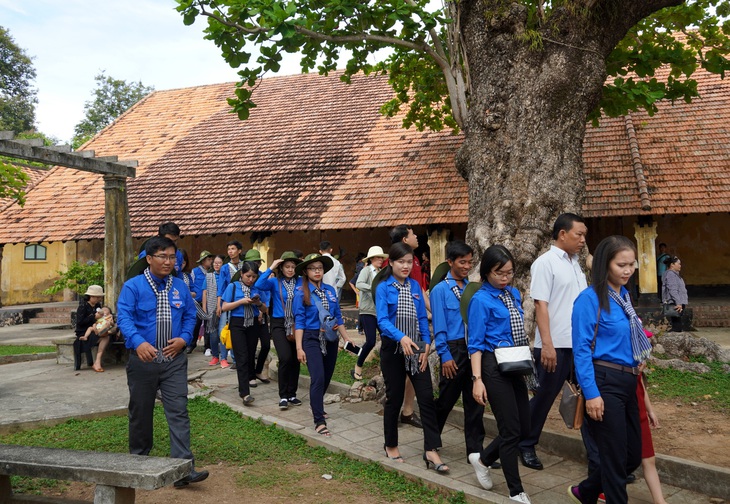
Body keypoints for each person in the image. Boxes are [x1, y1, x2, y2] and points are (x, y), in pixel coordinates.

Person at [116, 236, 209, 488]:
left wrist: (185, 338)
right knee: (141, 412)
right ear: (149, 259)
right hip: (143, 360)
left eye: (172, 257)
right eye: (163, 257)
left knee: (178, 410)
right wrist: (138, 342)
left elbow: (191, 315)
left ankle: (182, 468)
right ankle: (139, 462)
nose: (168, 262)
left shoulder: (179, 286)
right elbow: (123, 317)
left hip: (173, 360)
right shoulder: (133, 287)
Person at [569, 235, 652, 504]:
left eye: (632, 264)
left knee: (631, 456)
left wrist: (636, 356)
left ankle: (587, 491)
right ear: (605, 265)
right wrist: (592, 394)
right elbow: (581, 350)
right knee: (615, 459)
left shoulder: (623, 296)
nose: (628, 270)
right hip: (604, 380)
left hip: (629, 380)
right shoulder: (589, 300)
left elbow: (627, 335)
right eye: (621, 265)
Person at [518, 213, 588, 470]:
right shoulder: (545, 263)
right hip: (555, 344)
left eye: (584, 235)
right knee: (544, 397)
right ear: (562, 234)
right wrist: (546, 344)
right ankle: (525, 444)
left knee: (589, 396)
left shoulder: (575, 263)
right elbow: (540, 304)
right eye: (578, 234)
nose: (582, 240)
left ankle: (600, 459)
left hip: (579, 344)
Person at [467, 245, 534, 504]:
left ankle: (482, 459)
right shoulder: (480, 300)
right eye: (499, 273)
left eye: (509, 272)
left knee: (523, 426)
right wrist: (477, 380)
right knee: (510, 430)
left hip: (514, 362)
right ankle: (516, 491)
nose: (505, 278)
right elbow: (475, 343)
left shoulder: (512, 295)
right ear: (486, 272)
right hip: (492, 365)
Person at [375, 243, 448, 472]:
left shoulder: (416, 286)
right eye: (401, 262)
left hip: (417, 351)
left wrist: (426, 346)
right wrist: (401, 338)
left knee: (426, 398)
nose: (405, 266)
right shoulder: (383, 287)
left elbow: (421, 320)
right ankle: (391, 444)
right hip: (394, 351)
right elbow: (383, 321)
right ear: (391, 263)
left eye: (409, 262)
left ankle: (431, 450)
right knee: (394, 399)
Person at [431, 240, 485, 459]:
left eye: (470, 262)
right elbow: (439, 326)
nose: (466, 266)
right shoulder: (440, 290)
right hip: (452, 350)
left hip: (472, 349)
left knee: (475, 403)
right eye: (462, 262)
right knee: (446, 399)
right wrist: (444, 355)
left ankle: (476, 452)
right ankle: (431, 442)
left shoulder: (473, 289)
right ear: (450, 262)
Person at [294, 253, 354, 436]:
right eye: (313, 268)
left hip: (331, 339)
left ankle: (316, 405)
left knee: (327, 376)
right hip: (311, 338)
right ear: (306, 271)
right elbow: (299, 321)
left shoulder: (330, 290)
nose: (317, 271)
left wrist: (347, 339)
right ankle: (319, 420)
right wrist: (299, 347)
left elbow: (337, 317)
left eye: (320, 268)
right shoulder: (300, 292)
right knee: (318, 377)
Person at [388, 224, 428, 428]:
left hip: (414, 324)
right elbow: (418, 291)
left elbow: (419, 290)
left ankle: (407, 411)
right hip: (399, 326)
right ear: (404, 239)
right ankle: (398, 410)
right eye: (413, 234)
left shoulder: (412, 259)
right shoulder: (405, 262)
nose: (416, 237)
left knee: (412, 370)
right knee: (400, 372)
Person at [255, 251, 303, 410]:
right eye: (287, 267)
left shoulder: (301, 282)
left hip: (297, 323)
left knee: (295, 359)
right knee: (285, 357)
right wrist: (271, 267)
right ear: (281, 268)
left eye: (293, 267)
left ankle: (292, 393)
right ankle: (283, 395)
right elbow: (258, 284)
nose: (290, 269)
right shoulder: (275, 282)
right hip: (278, 323)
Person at [221, 261, 263, 406]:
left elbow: (265, 309)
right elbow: (225, 306)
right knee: (242, 357)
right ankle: (244, 393)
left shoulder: (257, 288)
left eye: (254, 277)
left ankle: (247, 384)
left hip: (252, 324)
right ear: (241, 274)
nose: (250, 279)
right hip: (237, 324)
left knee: (250, 356)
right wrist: (240, 302)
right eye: (248, 276)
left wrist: (257, 303)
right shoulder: (233, 287)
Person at [351, 245, 389, 381]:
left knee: (387, 340)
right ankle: (358, 367)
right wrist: (373, 289)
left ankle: (384, 369)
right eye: (378, 257)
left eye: (381, 257)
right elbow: (359, 284)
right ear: (372, 259)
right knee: (371, 341)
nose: (380, 260)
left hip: (380, 312)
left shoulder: (381, 273)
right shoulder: (366, 270)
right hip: (367, 311)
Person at [243, 249, 271, 386]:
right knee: (251, 347)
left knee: (266, 344)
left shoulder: (262, 278)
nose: (256, 264)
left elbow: (266, 296)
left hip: (262, 314)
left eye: (257, 262)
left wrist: (262, 310)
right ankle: (250, 375)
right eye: (252, 262)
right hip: (248, 318)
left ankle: (258, 370)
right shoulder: (242, 278)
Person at [74, 285, 109, 372]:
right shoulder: (83, 306)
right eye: (97, 297)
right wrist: (93, 317)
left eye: (99, 297)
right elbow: (80, 322)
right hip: (84, 331)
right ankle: (97, 362)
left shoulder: (97, 305)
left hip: (96, 328)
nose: (98, 299)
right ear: (91, 296)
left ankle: (97, 361)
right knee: (104, 338)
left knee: (107, 335)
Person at [204, 255, 226, 366]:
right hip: (211, 308)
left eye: (219, 262)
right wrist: (204, 308)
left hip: (224, 307)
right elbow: (204, 292)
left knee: (222, 332)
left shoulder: (225, 276)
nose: (216, 264)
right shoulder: (208, 276)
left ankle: (224, 357)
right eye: (215, 263)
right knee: (212, 333)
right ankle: (215, 356)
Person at [192, 250, 214, 356]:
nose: (211, 261)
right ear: (203, 261)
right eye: (208, 259)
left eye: (211, 259)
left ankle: (207, 346)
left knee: (208, 325)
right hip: (197, 302)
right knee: (195, 324)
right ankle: (191, 344)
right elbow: (190, 285)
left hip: (209, 302)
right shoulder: (195, 271)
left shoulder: (212, 272)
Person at [661, 256, 688, 332]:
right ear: (672, 264)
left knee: (677, 322)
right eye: (678, 264)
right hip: (674, 302)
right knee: (677, 324)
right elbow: (673, 289)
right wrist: (678, 303)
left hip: (677, 301)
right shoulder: (670, 274)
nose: (680, 265)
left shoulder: (674, 274)